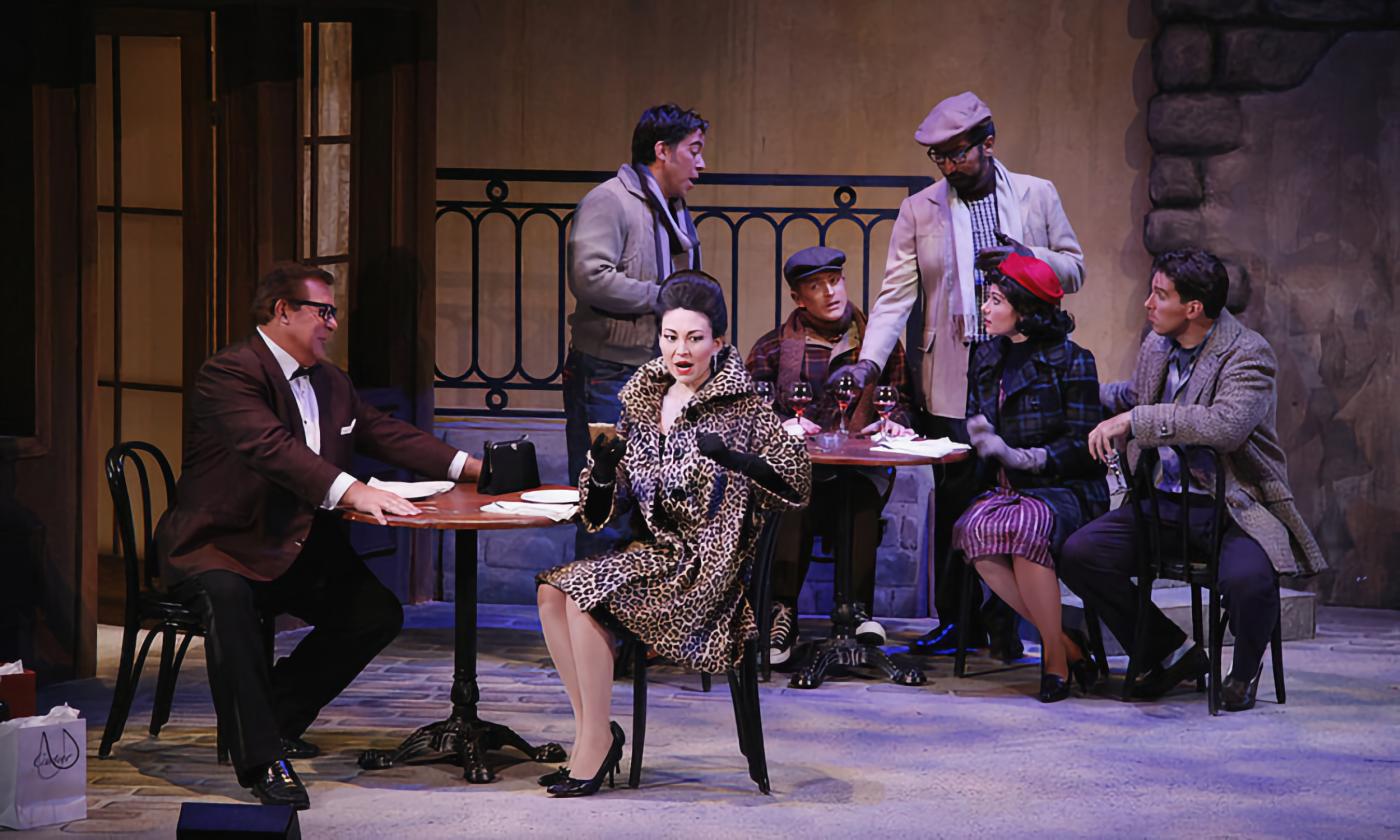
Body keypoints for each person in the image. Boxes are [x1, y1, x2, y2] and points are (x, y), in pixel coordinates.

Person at [156, 263, 480, 809]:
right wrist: (354, 492)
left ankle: (274, 716)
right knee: (230, 602)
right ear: (282, 311)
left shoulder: (330, 379)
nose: (332, 324)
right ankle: (262, 761)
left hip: (290, 542)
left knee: (374, 613)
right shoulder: (230, 373)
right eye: (322, 312)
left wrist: (471, 465)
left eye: (334, 313)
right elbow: (271, 449)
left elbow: (383, 432)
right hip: (220, 544)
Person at [536, 271, 811, 797]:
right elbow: (599, 511)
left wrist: (734, 457)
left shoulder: (744, 407)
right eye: (670, 337)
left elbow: (796, 483)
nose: (680, 351)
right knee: (552, 591)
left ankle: (593, 746)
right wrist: (601, 467)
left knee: (581, 596)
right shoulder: (641, 400)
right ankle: (593, 732)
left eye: (694, 338)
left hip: (710, 570)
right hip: (657, 555)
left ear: (719, 342)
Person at [842, 91, 1087, 661]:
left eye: (959, 154)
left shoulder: (1035, 194)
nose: (950, 166)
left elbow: (1074, 267)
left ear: (988, 143)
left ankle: (1006, 626)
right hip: (955, 366)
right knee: (956, 496)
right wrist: (870, 362)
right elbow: (894, 296)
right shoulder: (920, 209)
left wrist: (1028, 255)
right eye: (940, 158)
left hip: (1021, 369)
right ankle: (957, 623)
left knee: (1015, 495)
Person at [1060, 249, 1326, 710]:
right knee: (1082, 554)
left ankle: (1243, 672)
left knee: (1250, 581)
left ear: (1194, 308)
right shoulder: (1157, 345)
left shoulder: (1248, 354)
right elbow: (1139, 395)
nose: (1147, 303)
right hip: (1165, 506)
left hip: (1231, 508)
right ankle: (1171, 650)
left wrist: (1133, 420)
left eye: (1160, 295)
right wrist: (1077, 388)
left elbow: (1223, 426)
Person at [745, 246, 917, 664]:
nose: (830, 292)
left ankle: (857, 612)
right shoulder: (772, 347)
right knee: (793, 499)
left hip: (858, 468)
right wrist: (779, 426)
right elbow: (747, 415)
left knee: (857, 498)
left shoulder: (877, 346)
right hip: (800, 470)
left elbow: (905, 402)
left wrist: (893, 421)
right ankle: (781, 612)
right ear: (798, 298)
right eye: (815, 286)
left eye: (835, 281)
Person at [951, 254, 1108, 702]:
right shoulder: (986, 355)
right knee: (974, 531)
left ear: (1025, 308)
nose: (985, 308)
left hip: (1066, 488)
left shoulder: (1073, 360)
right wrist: (978, 433)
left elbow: (1083, 444)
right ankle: (1067, 643)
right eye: (987, 297)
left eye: (996, 300)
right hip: (1009, 488)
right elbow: (977, 415)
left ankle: (1054, 660)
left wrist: (1026, 457)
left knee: (1024, 530)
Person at [563, 103, 708, 561]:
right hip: (610, 372)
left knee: (654, 508)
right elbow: (589, 277)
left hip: (659, 375)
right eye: (695, 150)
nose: (701, 164)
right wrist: (662, 298)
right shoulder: (610, 200)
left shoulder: (673, 210)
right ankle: (592, 625)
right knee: (605, 507)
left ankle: (632, 627)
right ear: (661, 151)